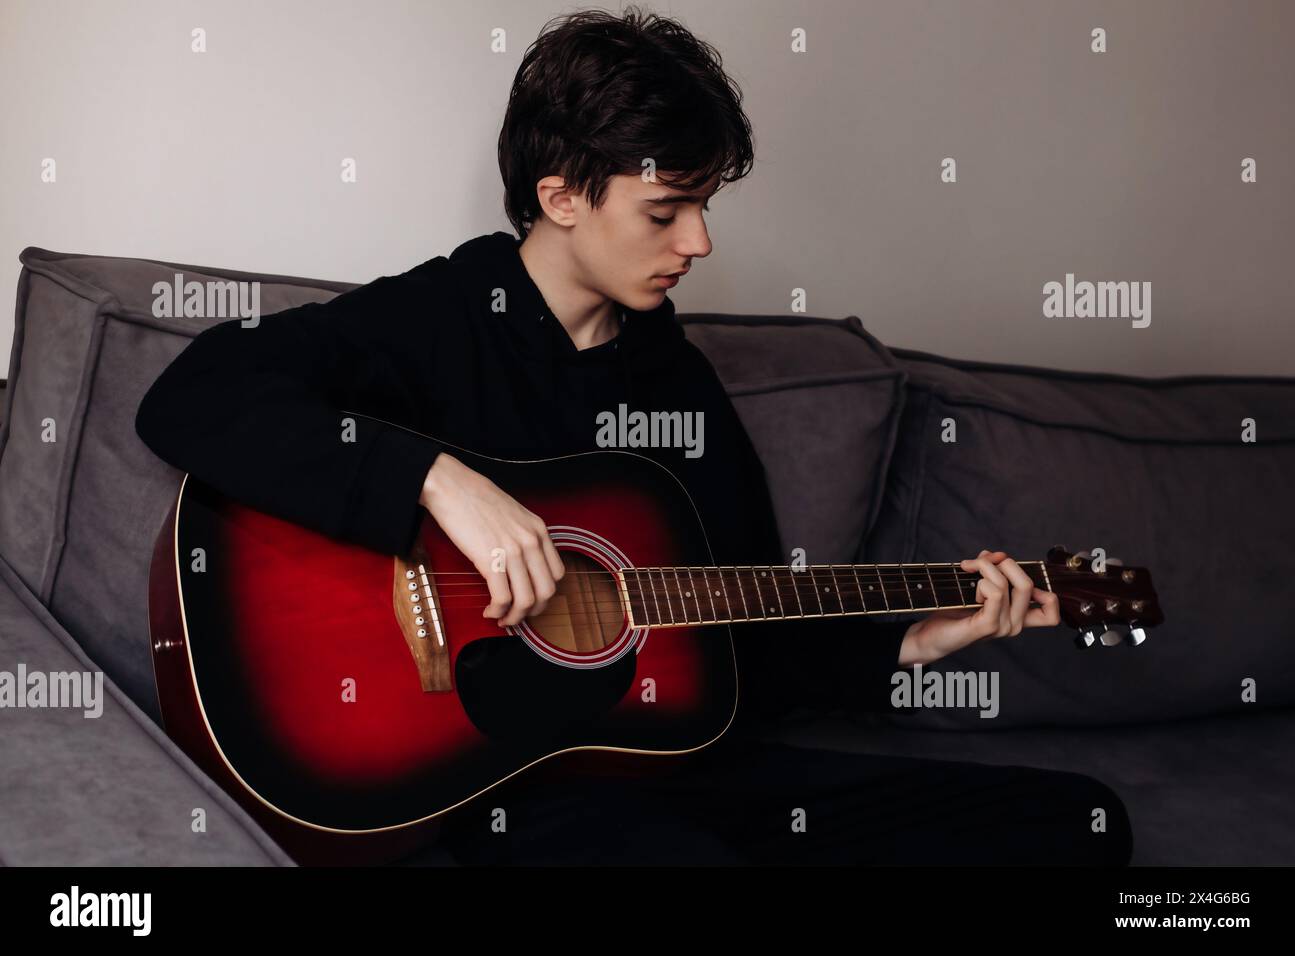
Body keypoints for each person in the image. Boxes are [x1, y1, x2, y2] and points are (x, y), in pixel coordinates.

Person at [134, 7, 1132, 866]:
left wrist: (921, 632)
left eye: (703, 206)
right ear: (561, 196)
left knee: (1078, 824)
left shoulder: (676, 384)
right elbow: (192, 393)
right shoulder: (439, 316)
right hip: (517, 781)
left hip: (682, 765)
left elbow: (741, 633)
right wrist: (438, 481)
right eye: (667, 208)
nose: (698, 242)